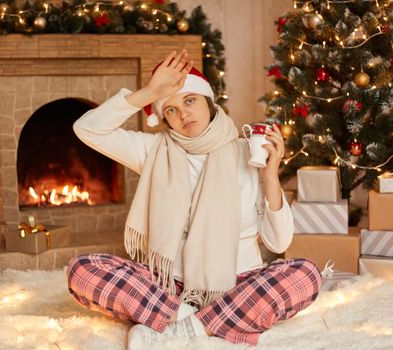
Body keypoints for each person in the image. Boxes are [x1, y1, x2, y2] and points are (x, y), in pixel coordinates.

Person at [66, 49, 322, 348]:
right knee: (82, 271)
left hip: (239, 284)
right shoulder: (153, 152)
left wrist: (270, 176)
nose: (183, 113)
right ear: (164, 119)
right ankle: (202, 319)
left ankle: (182, 327)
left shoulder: (248, 153)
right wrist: (148, 93)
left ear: (208, 102)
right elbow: (87, 129)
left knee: (306, 274)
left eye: (189, 101)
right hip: (167, 289)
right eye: (171, 109)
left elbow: (278, 244)